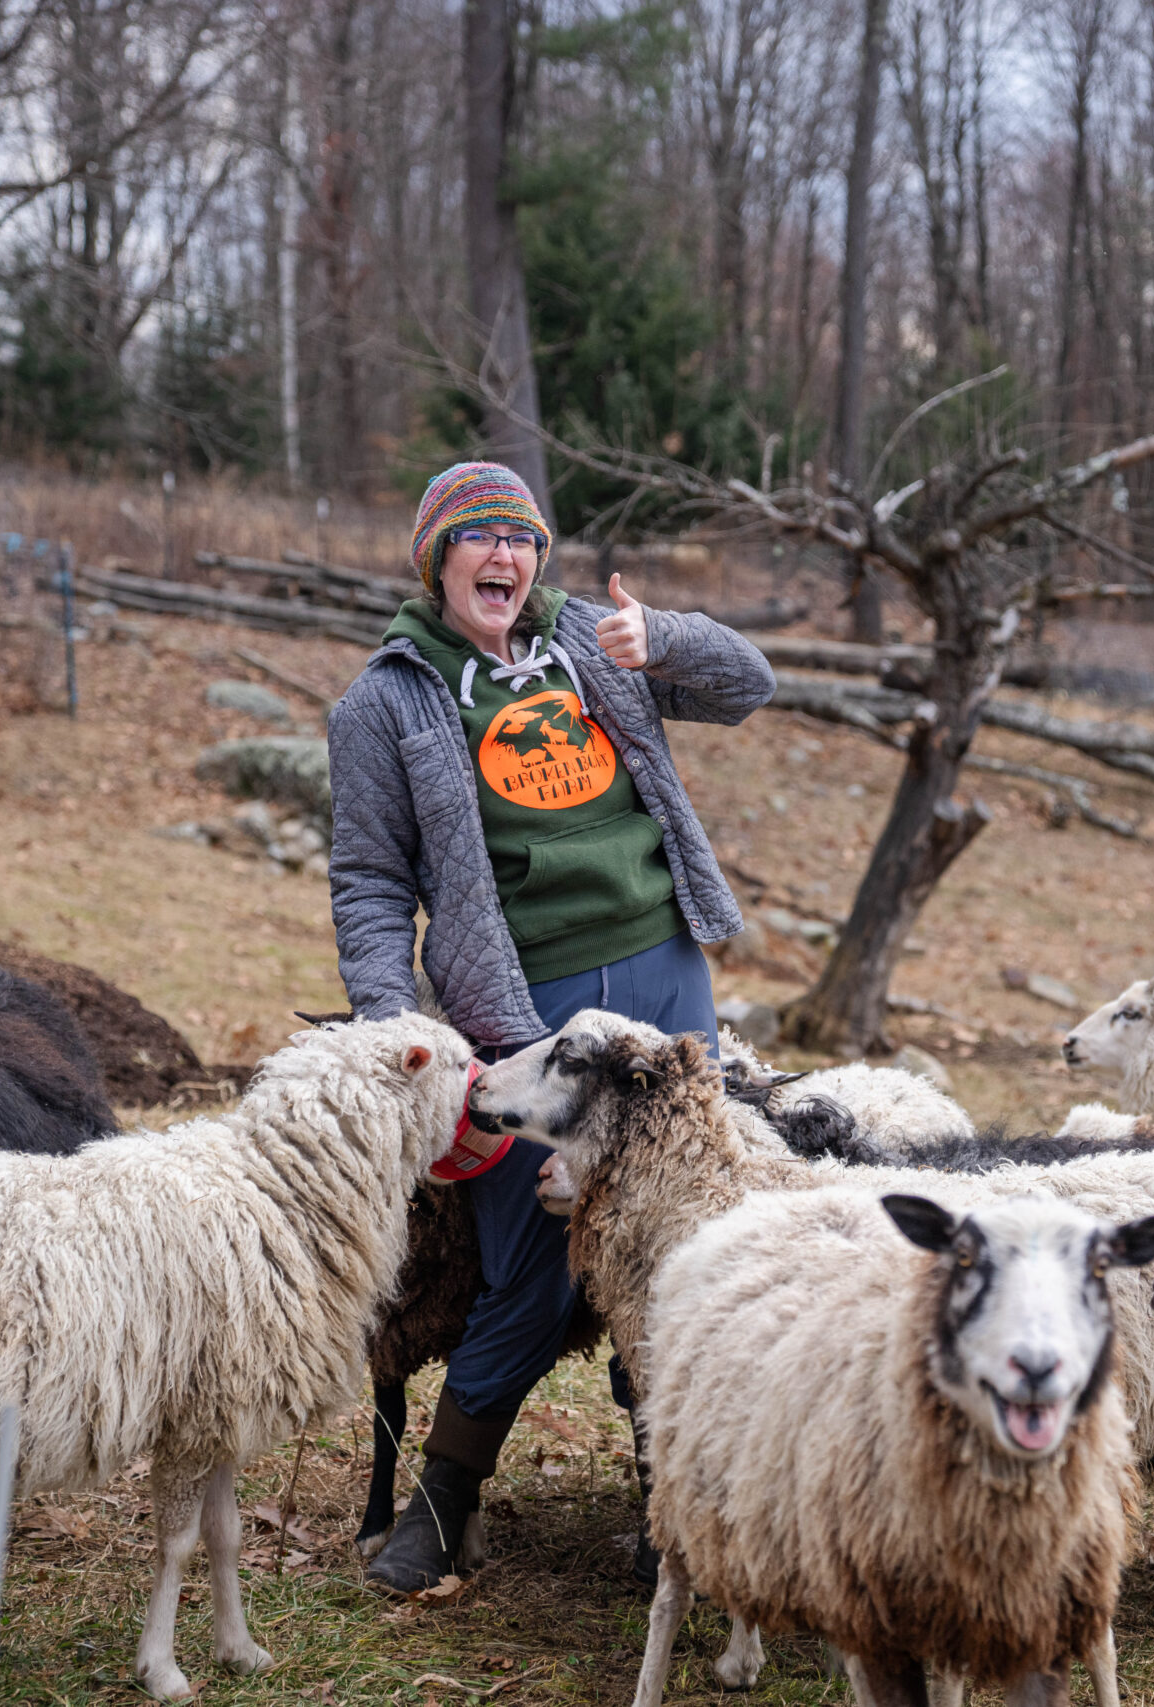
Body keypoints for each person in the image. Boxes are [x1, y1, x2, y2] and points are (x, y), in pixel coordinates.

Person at [327, 461, 773, 1594]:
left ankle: (668, 1499)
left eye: (521, 541)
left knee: (683, 1246)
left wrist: (660, 636)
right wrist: (394, 1027)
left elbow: (748, 683)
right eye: (480, 542)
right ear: (437, 561)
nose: (506, 560)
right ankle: (442, 1506)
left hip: (667, 986)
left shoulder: (589, 639)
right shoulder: (387, 699)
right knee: (527, 1266)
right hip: (521, 1011)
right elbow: (373, 882)